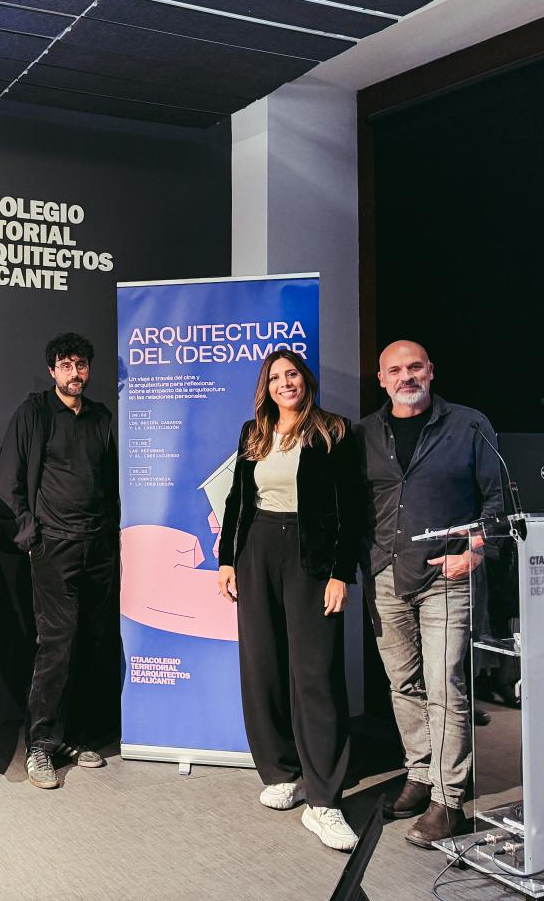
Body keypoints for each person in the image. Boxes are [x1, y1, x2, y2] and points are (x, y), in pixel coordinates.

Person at [215, 350, 364, 852]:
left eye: (292, 374)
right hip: (256, 549)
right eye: (276, 377)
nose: (285, 383)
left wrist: (341, 572)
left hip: (311, 557)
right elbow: (237, 498)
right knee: (263, 667)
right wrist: (227, 560)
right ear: (267, 386)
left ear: (306, 380)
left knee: (315, 674)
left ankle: (324, 801)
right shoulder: (253, 432)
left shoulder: (333, 431)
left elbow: (352, 507)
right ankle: (283, 773)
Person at [357, 340, 503, 847]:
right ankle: (420, 774)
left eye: (415, 367)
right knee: (403, 684)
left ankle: (448, 799)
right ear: (382, 379)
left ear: (431, 371)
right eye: (395, 370)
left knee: (446, 688)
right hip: (385, 574)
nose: (407, 376)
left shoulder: (469, 425)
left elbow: (497, 499)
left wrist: (475, 552)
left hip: (447, 574)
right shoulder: (364, 433)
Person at [0, 332, 119, 790]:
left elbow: (112, 480)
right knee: (57, 645)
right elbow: (5, 481)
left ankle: (75, 737)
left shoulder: (101, 417)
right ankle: (40, 745)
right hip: (54, 548)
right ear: (52, 371)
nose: (74, 373)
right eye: (66, 365)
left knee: (93, 644)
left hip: (98, 547)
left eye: (81, 365)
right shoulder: (35, 413)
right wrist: (30, 537)